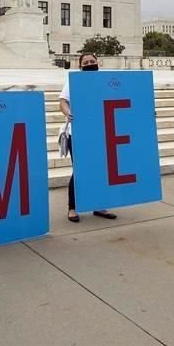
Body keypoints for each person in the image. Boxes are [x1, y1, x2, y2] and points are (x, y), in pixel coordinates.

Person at [59, 52, 117, 223]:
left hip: (100, 133)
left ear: (98, 63)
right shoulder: (74, 81)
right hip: (78, 133)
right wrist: (69, 113)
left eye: (92, 61)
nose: (90, 63)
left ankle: (98, 205)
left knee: (100, 170)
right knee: (80, 170)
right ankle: (73, 208)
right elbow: (63, 101)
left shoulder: (105, 82)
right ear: (80, 66)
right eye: (86, 62)